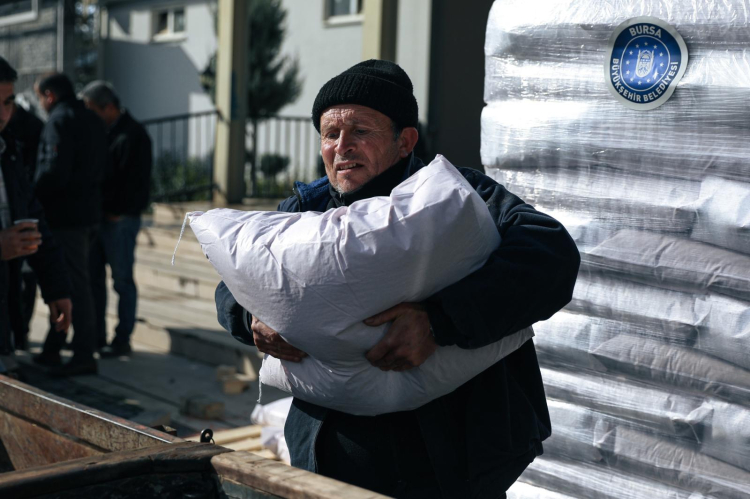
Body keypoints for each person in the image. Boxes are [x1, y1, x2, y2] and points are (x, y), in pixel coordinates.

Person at [215, 60, 580, 498]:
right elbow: (233, 285)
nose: (342, 146)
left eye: (360, 131)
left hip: (451, 463)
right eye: (330, 134)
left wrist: (439, 320)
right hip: (325, 461)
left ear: (404, 141)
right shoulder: (303, 211)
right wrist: (254, 315)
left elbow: (551, 255)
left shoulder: (458, 198)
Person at [32, 72, 109, 376]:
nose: (40, 104)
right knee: (79, 282)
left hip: (66, 219)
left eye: (39, 97)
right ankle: (55, 347)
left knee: (74, 286)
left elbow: (53, 171)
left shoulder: (59, 121)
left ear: (49, 95)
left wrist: (30, 196)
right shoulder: (92, 119)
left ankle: (83, 353)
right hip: (89, 214)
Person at [0, 57, 71, 375]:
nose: (3, 115)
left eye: (8, 103)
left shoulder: (9, 152)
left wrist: (56, 289)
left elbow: (34, 222)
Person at [81, 81, 152, 357]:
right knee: (94, 280)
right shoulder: (103, 131)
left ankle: (122, 339)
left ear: (108, 107)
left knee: (122, 281)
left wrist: (119, 210)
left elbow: (138, 182)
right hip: (99, 217)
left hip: (119, 220)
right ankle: (96, 336)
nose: (89, 115)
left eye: (92, 109)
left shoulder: (133, 135)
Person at [5, 98, 44, 350]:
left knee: (25, 279)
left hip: (25, 219)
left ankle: (19, 334)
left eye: (7, 104)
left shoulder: (13, 145)